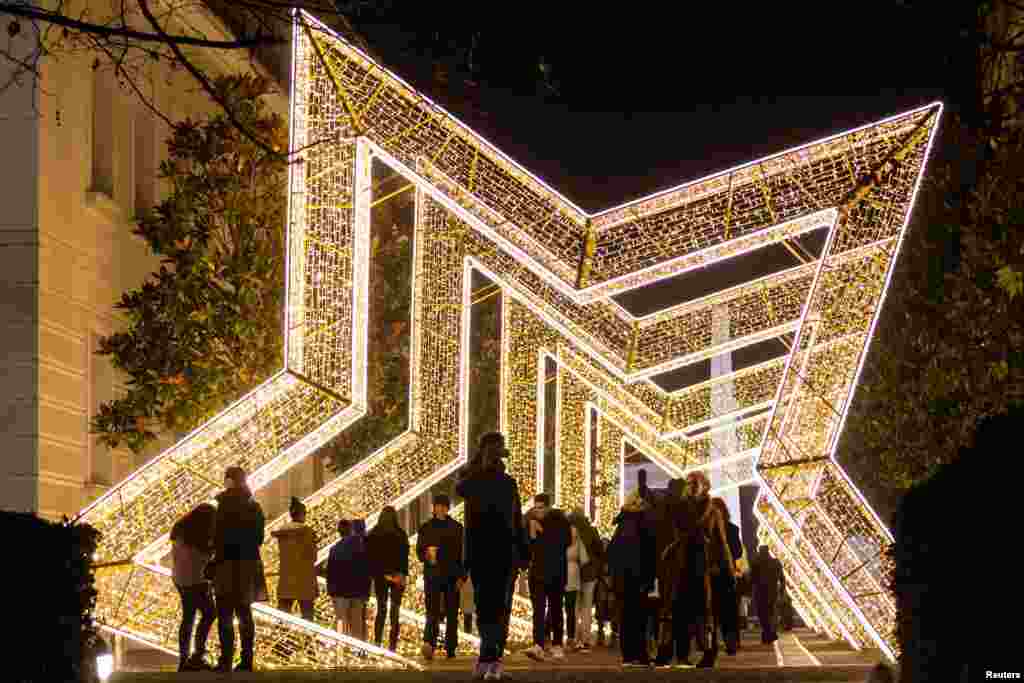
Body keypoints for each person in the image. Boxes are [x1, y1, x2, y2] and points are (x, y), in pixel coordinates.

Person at [455, 432, 528, 681]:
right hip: (504, 554)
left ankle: (486, 660)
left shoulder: (472, 482)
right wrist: (523, 553)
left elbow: (460, 484)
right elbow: (516, 521)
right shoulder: (507, 483)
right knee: (500, 608)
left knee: (485, 607)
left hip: (480, 554)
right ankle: (492, 660)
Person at [209, 466, 267, 673]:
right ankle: (246, 659)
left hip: (225, 564)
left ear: (229, 481)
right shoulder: (255, 507)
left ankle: (225, 659)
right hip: (247, 564)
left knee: (225, 612)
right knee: (244, 612)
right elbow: (260, 538)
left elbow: (216, 538)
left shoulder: (222, 507)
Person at [606, 489, 656, 668]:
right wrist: (649, 577)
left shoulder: (622, 522)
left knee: (627, 617)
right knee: (640, 618)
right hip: (638, 577)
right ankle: (640, 654)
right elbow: (650, 553)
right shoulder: (645, 522)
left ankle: (628, 655)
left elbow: (612, 553)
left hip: (623, 578)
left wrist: (613, 576)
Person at [521, 493, 572, 662]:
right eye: (535, 507)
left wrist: (542, 531)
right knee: (538, 610)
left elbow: (565, 542)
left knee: (556, 608)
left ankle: (557, 644)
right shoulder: (530, 521)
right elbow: (528, 547)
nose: (537, 511)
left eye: (541, 507)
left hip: (556, 572)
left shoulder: (560, 520)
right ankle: (538, 644)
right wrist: (531, 534)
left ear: (549, 508)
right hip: (537, 573)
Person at [417, 493, 465, 661]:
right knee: (432, 611)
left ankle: (450, 646)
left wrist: (462, 576)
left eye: (444, 506)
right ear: (434, 507)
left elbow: (463, 554)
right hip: (433, 576)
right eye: (438, 505)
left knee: (452, 612)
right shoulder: (426, 527)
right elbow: (420, 551)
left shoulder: (457, 528)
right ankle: (429, 643)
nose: (441, 509)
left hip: (451, 575)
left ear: (447, 508)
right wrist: (426, 553)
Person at [170, 504, 217, 672]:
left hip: (180, 578)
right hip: (196, 580)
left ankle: (185, 659)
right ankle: (197, 655)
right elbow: (205, 559)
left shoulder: (180, 531)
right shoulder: (199, 537)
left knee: (188, 617)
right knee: (209, 613)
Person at [366, 505, 409, 651]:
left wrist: (379, 573)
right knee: (395, 611)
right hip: (397, 576)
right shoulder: (401, 534)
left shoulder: (374, 534)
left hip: (381, 576)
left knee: (381, 609)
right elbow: (404, 557)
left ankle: (378, 642)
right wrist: (402, 574)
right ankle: (392, 645)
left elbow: (370, 557)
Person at [271, 497, 318, 621]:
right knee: (307, 617)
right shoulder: (308, 532)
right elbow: (313, 557)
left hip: (286, 579)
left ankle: (282, 638)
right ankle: (308, 639)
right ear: (302, 514)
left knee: (282, 616)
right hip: (305, 580)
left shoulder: (282, 532)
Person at [325, 519, 371, 644]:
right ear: (351, 530)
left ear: (339, 532)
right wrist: (366, 591)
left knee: (341, 622)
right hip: (357, 592)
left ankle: (342, 651)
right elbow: (365, 570)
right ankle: (359, 651)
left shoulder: (334, 549)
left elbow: (330, 573)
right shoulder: (361, 547)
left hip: (340, 593)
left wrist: (331, 591)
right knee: (357, 624)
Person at [567, 508, 603, 652]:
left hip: (573, 572)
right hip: (589, 573)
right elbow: (600, 551)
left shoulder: (568, 530)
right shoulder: (591, 530)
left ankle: (574, 637)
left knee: (574, 607)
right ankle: (586, 639)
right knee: (587, 607)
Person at [710, 498, 742, 655]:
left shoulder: (711, 530)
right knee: (725, 610)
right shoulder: (732, 529)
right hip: (723, 574)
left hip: (718, 574)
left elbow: (737, 552)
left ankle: (723, 642)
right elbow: (738, 552)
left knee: (719, 610)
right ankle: (727, 642)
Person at [750, 545, 784, 645]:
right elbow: (782, 577)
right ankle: (770, 633)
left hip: (760, 592)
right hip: (772, 591)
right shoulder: (775, 562)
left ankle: (767, 633)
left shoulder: (756, 562)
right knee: (771, 613)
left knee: (763, 614)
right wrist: (782, 589)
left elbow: (752, 578)